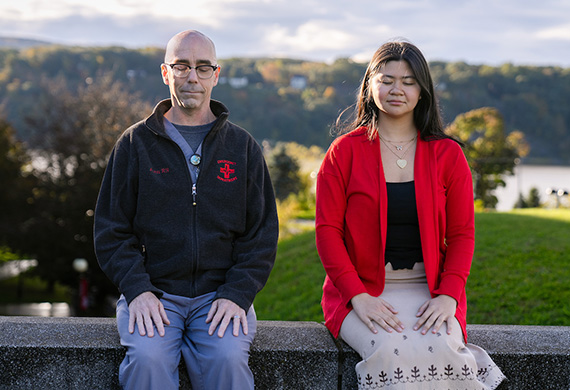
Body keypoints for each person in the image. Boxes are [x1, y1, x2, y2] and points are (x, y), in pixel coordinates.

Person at [93, 30, 278, 390]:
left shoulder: (243, 148)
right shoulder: (134, 144)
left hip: (219, 296)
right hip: (154, 295)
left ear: (216, 74)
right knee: (147, 362)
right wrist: (137, 289)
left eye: (202, 67)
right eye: (181, 66)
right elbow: (110, 230)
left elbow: (262, 235)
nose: (192, 76)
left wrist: (237, 294)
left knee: (227, 362)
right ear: (166, 73)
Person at [315, 40, 506, 389]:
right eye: (386, 79)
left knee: (442, 345)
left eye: (408, 81)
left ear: (423, 90)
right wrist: (359, 298)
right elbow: (328, 232)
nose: (396, 89)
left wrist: (449, 295)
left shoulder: (448, 155)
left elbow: (462, 234)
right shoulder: (343, 153)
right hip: (358, 291)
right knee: (389, 349)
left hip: (429, 289)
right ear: (370, 85)